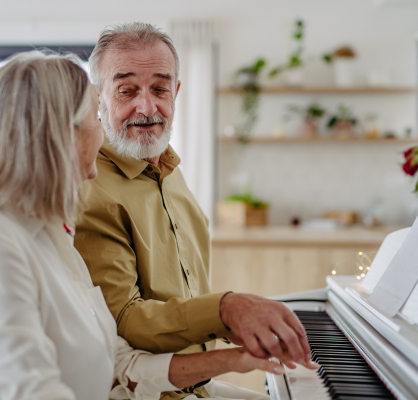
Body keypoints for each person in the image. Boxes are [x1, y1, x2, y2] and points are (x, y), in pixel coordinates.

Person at [0, 51, 285, 400]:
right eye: (96, 117)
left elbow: (118, 366)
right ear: (61, 134)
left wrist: (234, 361)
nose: (105, 134)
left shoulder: (51, 234)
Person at [74, 22, 318, 400]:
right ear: (99, 98)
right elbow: (124, 319)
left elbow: (183, 295)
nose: (147, 106)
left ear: (177, 92)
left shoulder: (170, 171)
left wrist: (241, 322)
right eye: (127, 90)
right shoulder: (92, 189)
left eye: (160, 88)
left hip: (197, 386)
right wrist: (225, 310)